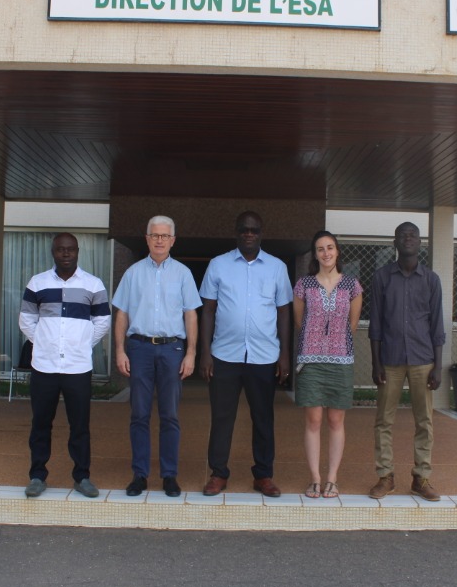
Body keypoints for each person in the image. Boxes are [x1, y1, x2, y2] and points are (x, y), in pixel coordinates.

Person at [198, 211, 293, 498]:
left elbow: (284, 312)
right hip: (225, 355)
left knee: (263, 418)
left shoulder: (277, 268)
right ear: (236, 233)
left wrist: (285, 354)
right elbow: (208, 310)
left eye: (253, 230)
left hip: (264, 357)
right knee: (222, 417)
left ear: (261, 233)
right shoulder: (218, 265)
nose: (248, 234)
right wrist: (205, 353)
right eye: (244, 230)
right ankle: (218, 474)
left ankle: (263, 476)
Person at [112, 215, 201, 498]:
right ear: (147, 238)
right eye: (155, 235)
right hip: (139, 349)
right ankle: (139, 474)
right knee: (139, 413)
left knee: (170, 415)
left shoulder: (183, 274)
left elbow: (191, 314)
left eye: (165, 236)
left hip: (172, 349)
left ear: (173, 240)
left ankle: (169, 475)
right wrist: (119, 350)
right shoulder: (133, 273)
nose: (159, 240)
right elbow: (122, 313)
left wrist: (191, 352)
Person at [19, 232, 111, 499]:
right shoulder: (38, 283)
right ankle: (37, 475)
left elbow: (102, 322)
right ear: (53, 252)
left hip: (77, 367)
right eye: (61, 249)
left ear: (78, 251)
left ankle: (82, 477)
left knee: (80, 426)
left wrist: (82, 344)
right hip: (44, 367)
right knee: (40, 424)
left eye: (70, 249)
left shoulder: (93, 285)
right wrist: (45, 343)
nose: (66, 254)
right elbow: (26, 319)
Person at [368, 222, 446, 501]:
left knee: (424, 421)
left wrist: (437, 366)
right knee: (383, 421)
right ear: (395, 242)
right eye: (403, 235)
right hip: (389, 360)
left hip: (423, 360)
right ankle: (385, 476)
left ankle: (421, 477)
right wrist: (375, 363)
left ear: (420, 243)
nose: (408, 239)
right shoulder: (382, 277)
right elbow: (375, 323)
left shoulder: (431, 280)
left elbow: (437, 325)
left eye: (413, 235)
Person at [292, 231, 362, 499]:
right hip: (310, 360)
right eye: (320, 249)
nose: (326, 253)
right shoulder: (304, 284)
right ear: (315, 254)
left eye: (330, 247)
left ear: (337, 251)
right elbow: (300, 322)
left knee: (335, 419)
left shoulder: (352, 286)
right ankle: (315, 479)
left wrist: (333, 342)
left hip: (341, 359)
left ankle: (332, 478)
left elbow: (352, 325)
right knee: (313, 419)